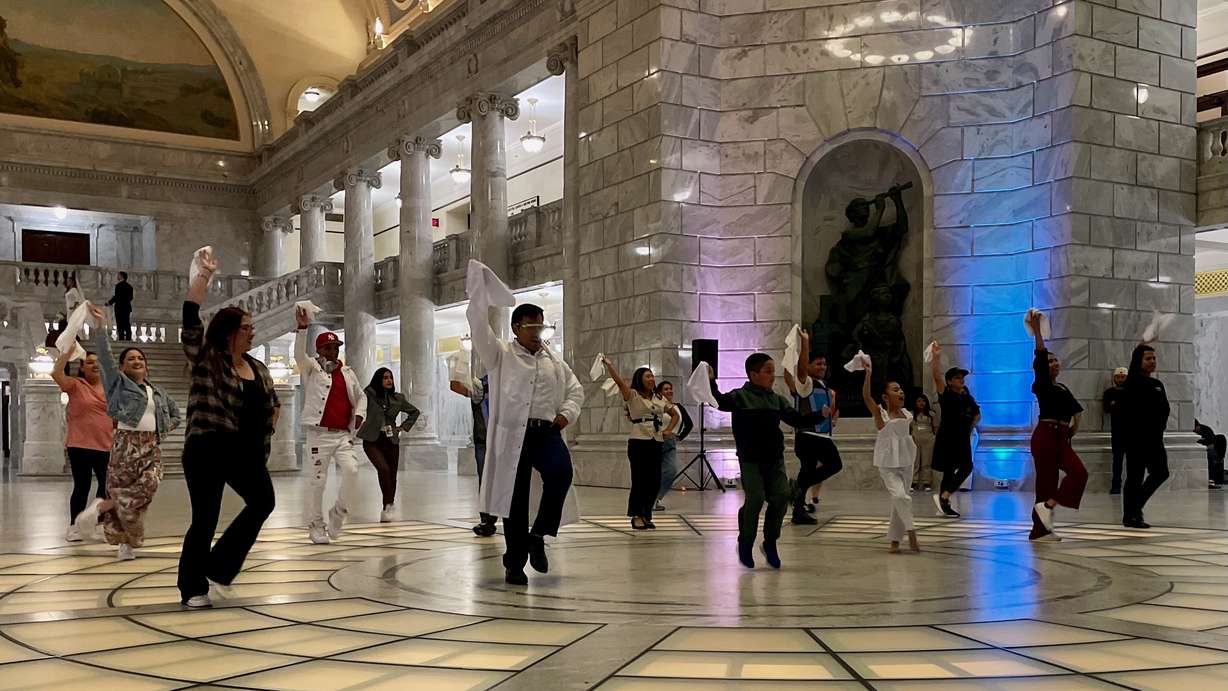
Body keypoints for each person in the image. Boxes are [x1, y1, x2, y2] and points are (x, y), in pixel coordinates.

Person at [466, 261, 584, 586]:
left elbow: (575, 390)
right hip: (512, 436)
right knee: (514, 501)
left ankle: (540, 534)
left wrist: (565, 415)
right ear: (517, 327)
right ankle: (514, 563)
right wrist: (478, 291)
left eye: (541, 328)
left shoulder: (554, 360)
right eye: (531, 328)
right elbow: (478, 326)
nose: (537, 334)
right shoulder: (500, 353)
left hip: (546, 432)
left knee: (561, 474)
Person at [177, 256, 280, 608]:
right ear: (230, 332)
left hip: (247, 452)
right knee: (205, 518)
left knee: (264, 501)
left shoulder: (258, 367)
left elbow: (273, 404)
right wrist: (203, 277)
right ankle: (193, 586)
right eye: (247, 327)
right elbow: (190, 317)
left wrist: (271, 426)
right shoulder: (209, 359)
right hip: (208, 448)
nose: (253, 332)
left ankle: (217, 565)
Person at [73, 306, 180, 560]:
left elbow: (176, 415)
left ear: (147, 366)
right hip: (124, 445)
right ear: (122, 367)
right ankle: (125, 544)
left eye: (140, 359)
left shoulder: (159, 392)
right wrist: (101, 328)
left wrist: (163, 428)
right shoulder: (117, 385)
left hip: (150, 446)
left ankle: (103, 505)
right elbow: (105, 359)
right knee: (132, 499)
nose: (137, 361)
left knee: (149, 485)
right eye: (131, 359)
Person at [709, 353, 825, 570]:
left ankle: (770, 542)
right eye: (768, 371)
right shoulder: (740, 397)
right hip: (750, 459)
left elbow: (796, 419)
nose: (773, 376)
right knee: (756, 498)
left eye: (773, 371)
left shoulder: (776, 399)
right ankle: (745, 542)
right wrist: (710, 380)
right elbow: (718, 400)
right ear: (754, 374)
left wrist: (821, 414)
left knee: (781, 496)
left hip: (774, 459)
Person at [294, 307, 366, 544]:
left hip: (342, 435)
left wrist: (360, 415)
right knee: (318, 481)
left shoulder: (347, 372)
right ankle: (316, 525)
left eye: (336, 348)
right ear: (319, 350)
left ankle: (339, 512)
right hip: (319, 435)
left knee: (353, 471)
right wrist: (302, 328)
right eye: (328, 348)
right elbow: (298, 355)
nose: (333, 352)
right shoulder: (311, 369)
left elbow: (361, 396)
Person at [1025, 311, 1088, 542]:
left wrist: (1075, 427)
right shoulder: (1042, 384)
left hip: (1062, 438)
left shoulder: (1061, 387)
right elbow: (1040, 354)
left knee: (1079, 473)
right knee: (1046, 484)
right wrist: (1038, 332)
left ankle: (1047, 508)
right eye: (1050, 361)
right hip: (1046, 436)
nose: (1053, 363)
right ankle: (1039, 531)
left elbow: (1077, 410)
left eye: (1055, 360)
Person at [603, 359, 679, 530]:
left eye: (652, 376)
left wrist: (668, 430)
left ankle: (647, 514)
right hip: (639, 441)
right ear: (640, 379)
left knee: (654, 480)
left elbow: (675, 414)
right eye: (647, 376)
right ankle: (636, 515)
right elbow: (619, 381)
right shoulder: (633, 395)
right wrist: (609, 365)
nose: (651, 379)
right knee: (640, 480)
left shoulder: (659, 398)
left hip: (656, 441)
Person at [860, 357, 920, 554]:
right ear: (885, 397)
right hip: (887, 460)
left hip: (907, 457)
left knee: (900, 500)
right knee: (900, 495)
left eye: (901, 389)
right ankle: (911, 530)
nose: (900, 392)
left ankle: (894, 540)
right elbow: (867, 397)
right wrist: (868, 374)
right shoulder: (881, 414)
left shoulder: (907, 413)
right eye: (895, 390)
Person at [52, 347, 112, 543]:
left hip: (106, 444)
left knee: (107, 487)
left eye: (98, 362)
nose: (95, 365)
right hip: (80, 444)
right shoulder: (76, 385)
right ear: (82, 367)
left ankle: (99, 523)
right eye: (90, 362)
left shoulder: (110, 388)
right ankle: (74, 527)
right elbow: (56, 373)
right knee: (82, 486)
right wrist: (67, 354)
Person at [784, 330, 841, 525]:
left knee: (811, 471)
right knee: (831, 465)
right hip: (809, 436)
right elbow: (798, 369)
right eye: (818, 363)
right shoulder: (805, 383)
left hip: (821, 436)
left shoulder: (823, 385)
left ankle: (798, 503)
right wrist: (805, 343)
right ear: (808, 366)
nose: (823, 367)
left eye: (824, 364)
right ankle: (798, 494)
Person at [357, 367, 420, 521]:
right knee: (383, 469)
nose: (389, 380)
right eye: (385, 378)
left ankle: (388, 506)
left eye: (390, 377)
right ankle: (388, 504)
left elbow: (414, 412)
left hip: (391, 440)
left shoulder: (398, 398)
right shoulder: (369, 394)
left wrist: (402, 427)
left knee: (392, 475)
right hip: (372, 440)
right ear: (379, 380)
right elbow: (357, 405)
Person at [929, 343, 979, 518]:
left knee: (966, 466)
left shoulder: (966, 397)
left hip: (962, 436)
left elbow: (977, 413)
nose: (961, 380)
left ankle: (944, 497)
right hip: (948, 436)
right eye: (957, 378)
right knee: (950, 470)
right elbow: (936, 376)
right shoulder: (947, 394)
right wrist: (935, 357)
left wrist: (969, 426)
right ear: (950, 381)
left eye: (962, 377)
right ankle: (945, 500)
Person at [1122, 344, 1169, 529]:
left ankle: (1134, 508)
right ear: (1138, 361)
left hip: (1155, 438)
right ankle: (1131, 515)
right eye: (1148, 358)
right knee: (1135, 477)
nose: (1152, 362)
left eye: (1154, 358)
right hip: (1136, 438)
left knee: (1161, 472)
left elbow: (1165, 409)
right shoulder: (1132, 383)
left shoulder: (1158, 384)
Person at [451, 373, 498, 536]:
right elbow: (455, 385)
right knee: (486, 481)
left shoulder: (512, 381)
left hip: (508, 441)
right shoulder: (482, 384)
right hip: (484, 441)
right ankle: (487, 520)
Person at [655, 380, 692, 511]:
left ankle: (657, 497)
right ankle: (650, 500)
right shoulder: (657, 404)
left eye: (670, 388)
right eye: (666, 389)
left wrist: (679, 436)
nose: (669, 391)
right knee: (654, 472)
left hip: (670, 442)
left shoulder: (678, 407)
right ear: (659, 392)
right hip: (656, 441)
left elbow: (689, 424)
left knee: (671, 470)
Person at [1102, 367, 1129, 493]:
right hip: (1117, 432)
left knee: (1132, 461)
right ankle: (1116, 485)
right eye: (1118, 377)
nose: (1120, 379)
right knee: (1117, 460)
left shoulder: (1132, 392)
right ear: (1114, 378)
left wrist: (1116, 405)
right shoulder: (1109, 392)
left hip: (1131, 432)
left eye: (1123, 377)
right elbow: (1107, 408)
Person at [910, 393, 936, 492]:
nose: (921, 403)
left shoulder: (931, 414)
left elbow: (936, 427)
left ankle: (927, 482)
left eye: (923, 401)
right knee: (915, 461)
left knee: (927, 461)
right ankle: (913, 481)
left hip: (929, 439)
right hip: (915, 439)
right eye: (919, 401)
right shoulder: (911, 414)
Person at [1194, 420, 1225, 490]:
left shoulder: (1206, 430)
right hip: (1197, 450)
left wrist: (1203, 448)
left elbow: (1212, 445)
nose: (1195, 431)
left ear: (1198, 426)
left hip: (1207, 449)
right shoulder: (1192, 433)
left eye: (1195, 429)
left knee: (1211, 455)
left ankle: (1211, 480)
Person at [106, 272, 134, 341]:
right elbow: (131, 298)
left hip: (119, 307)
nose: (117, 276)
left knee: (120, 323)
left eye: (118, 275)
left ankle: (121, 338)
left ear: (121, 276)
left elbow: (117, 297)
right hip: (127, 307)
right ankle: (128, 338)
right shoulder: (130, 286)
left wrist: (109, 302)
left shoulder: (118, 286)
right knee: (127, 323)